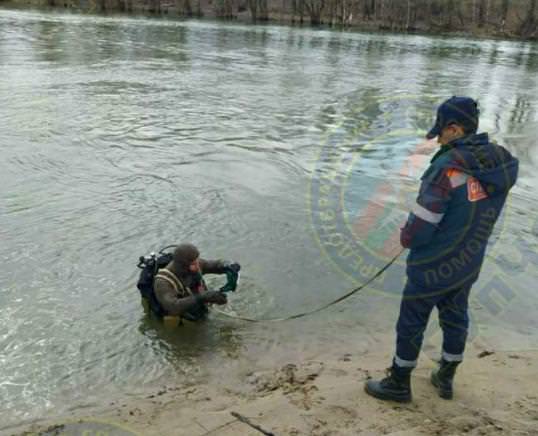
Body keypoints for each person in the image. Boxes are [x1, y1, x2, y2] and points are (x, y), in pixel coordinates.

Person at [365, 97, 519, 402]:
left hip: (432, 263)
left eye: (441, 132)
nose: (437, 139)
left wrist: (407, 237)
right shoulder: (501, 163)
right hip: (469, 261)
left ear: (454, 128)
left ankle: (399, 382)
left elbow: (422, 226)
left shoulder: (446, 167)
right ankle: (446, 377)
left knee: (412, 319)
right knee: (456, 315)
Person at [151, 243, 240, 323]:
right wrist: (203, 297)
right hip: (183, 319)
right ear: (182, 266)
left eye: (197, 261)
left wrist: (227, 264)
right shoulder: (163, 282)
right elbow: (173, 307)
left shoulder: (194, 264)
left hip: (199, 303)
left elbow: (213, 265)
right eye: (194, 264)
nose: (198, 266)